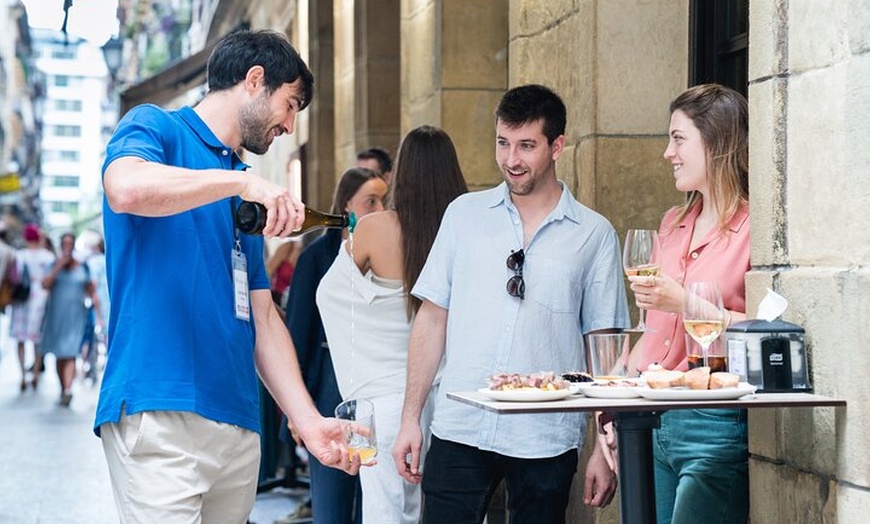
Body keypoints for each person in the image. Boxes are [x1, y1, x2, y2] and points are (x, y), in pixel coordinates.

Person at [94, 29, 362, 523]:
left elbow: (260, 313)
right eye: (290, 103)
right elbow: (125, 188)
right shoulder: (156, 126)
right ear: (255, 80)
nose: (290, 123)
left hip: (238, 425)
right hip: (160, 409)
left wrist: (308, 422)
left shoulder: (243, 190)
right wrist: (242, 182)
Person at [391, 85, 629, 524]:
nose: (511, 160)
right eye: (503, 143)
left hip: (546, 436)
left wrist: (603, 446)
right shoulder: (463, 215)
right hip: (461, 424)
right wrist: (410, 419)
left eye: (526, 146)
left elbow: (605, 347)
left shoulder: (594, 234)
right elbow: (432, 318)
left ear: (556, 146)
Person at [318, 126, 468, 523]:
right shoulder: (466, 232)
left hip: (384, 403)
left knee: (388, 515)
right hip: (454, 401)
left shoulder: (374, 229)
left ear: (401, 172)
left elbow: (328, 296)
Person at [625, 83, 750, 524]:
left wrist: (685, 302)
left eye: (678, 139)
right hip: (647, 416)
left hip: (711, 422)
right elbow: (650, 328)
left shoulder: (754, 229)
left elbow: (767, 330)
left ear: (715, 142)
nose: (667, 153)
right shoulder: (671, 224)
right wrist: (614, 406)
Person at [281, 166, 388, 524]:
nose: (379, 208)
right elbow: (297, 331)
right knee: (331, 498)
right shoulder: (316, 256)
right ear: (347, 205)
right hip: (328, 383)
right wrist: (298, 409)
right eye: (370, 201)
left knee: (374, 494)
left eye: (385, 201)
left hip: (373, 384)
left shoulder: (390, 256)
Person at [40, 232, 95, 407]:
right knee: (59, 354)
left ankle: (68, 390)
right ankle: (62, 388)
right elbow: (45, 284)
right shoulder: (52, 265)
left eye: (70, 243)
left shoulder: (82, 267)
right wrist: (58, 266)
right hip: (57, 316)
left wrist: (98, 315)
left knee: (71, 352)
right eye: (65, 243)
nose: (68, 247)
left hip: (76, 316)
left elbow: (91, 290)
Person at [10, 223, 55, 392]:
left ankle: (22, 375)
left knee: (20, 339)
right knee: (37, 340)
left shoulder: (19, 255)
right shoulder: (48, 256)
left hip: (21, 298)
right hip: (40, 298)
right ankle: (35, 374)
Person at [266, 239, 299, 308]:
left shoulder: (310, 257)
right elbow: (268, 271)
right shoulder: (288, 248)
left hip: (293, 301)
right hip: (276, 297)